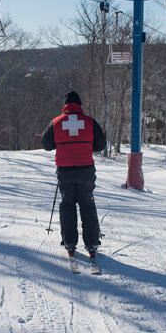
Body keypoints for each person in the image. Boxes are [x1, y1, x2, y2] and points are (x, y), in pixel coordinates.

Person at [42, 91, 107, 259]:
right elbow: (101, 144)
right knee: (87, 204)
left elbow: (46, 144)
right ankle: (92, 243)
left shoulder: (56, 123)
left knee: (67, 205)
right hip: (85, 170)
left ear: (65, 105)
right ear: (80, 104)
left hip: (65, 171)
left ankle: (70, 242)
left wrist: (62, 144)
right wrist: (86, 146)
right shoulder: (89, 122)